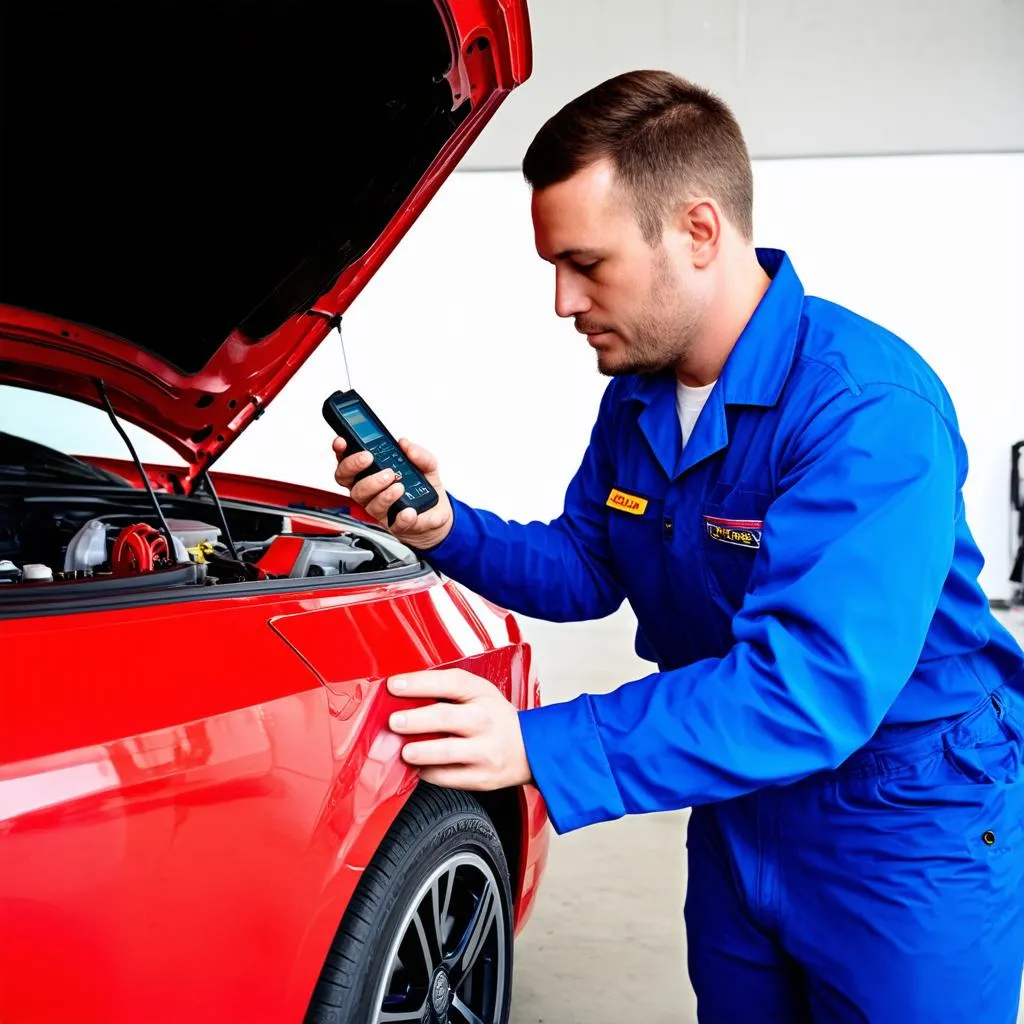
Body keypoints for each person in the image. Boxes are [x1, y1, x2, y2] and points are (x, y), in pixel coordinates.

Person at [332, 70, 1024, 1022]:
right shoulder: (641, 391)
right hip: (740, 799)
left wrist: (538, 742)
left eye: (587, 263)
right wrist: (447, 527)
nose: (564, 302)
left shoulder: (866, 410)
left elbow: (805, 689)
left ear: (698, 232)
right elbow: (587, 565)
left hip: (903, 819)